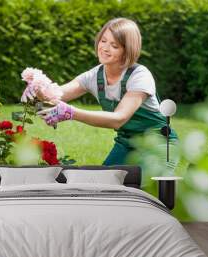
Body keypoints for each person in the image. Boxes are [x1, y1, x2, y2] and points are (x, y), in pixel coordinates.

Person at [23, 18, 179, 168]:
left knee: (143, 189)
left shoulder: (139, 75)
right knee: (105, 184)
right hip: (127, 143)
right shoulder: (94, 76)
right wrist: (39, 86)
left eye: (114, 45)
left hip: (159, 144)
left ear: (127, 50)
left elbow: (118, 119)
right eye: (103, 41)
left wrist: (71, 112)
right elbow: (55, 96)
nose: (105, 48)